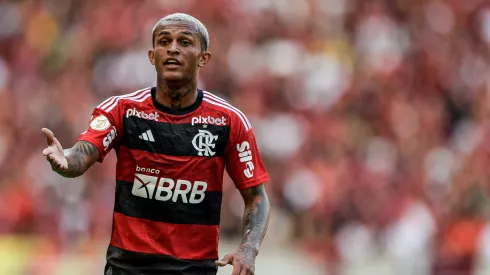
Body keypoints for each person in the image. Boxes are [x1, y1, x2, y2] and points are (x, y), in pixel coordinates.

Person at [41, 13, 270, 275]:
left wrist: (248, 249)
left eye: (185, 42)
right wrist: (66, 161)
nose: (173, 48)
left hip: (193, 270)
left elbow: (257, 198)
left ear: (204, 58)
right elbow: (83, 153)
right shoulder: (122, 110)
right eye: (164, 41)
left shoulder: (229, 121)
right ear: (152, 56)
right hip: (128, 268)